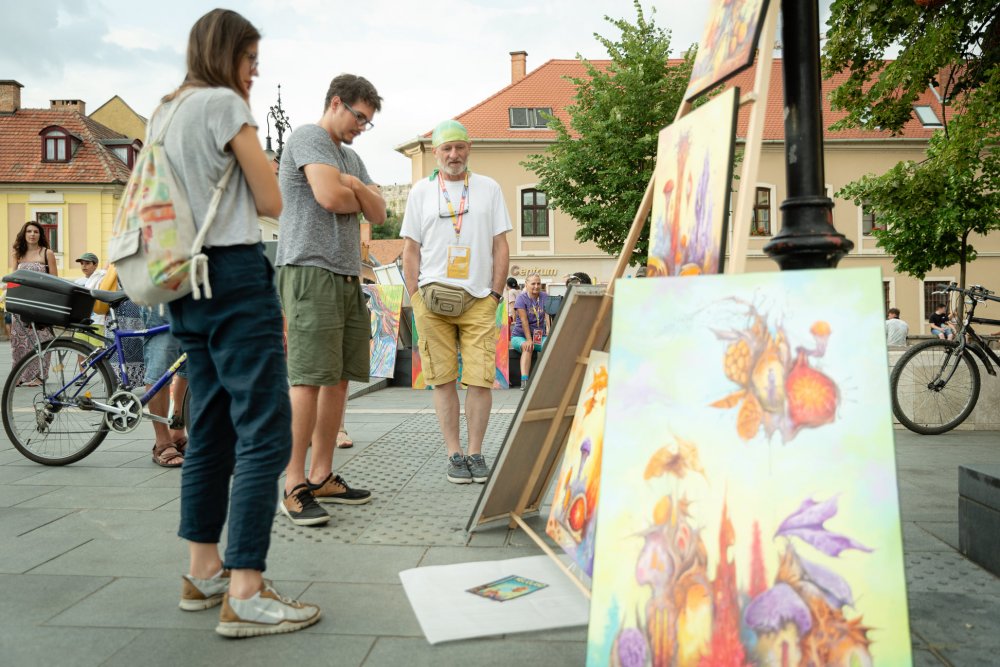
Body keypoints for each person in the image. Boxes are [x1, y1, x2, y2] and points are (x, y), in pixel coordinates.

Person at [154, 8, 318, 637]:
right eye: (250, 59)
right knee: (267, 431)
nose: (254, 71)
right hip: (233, 274)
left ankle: (204, 571)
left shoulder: (165, 110)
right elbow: (272, 198)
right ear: (227, 54)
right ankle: (247, 589)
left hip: (184, 281)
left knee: (211, 427)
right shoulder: (223, 105)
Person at [275, 73, 385, 526]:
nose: (362, 127)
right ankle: (293, 483)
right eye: (359, 117)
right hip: (309, 268)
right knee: (307, 379)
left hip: (344, 274)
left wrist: (354, 186)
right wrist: (356, 192)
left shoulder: (351, 158)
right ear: (336, 103)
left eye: (368, 121)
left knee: (339, 379)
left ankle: (321, 475)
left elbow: (379, 212)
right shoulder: (308, 137)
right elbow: (328, 197)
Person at [401, 119, 512, 484]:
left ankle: (475, 452)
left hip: (479, 298)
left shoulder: (488, 188)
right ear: (435, 153)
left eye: (459, 147)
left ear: (469, 149)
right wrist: (414, 297)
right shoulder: (421, 192)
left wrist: (495, 294)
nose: (453, 154)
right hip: (432, 301)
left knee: (480, 380)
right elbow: (410, 249)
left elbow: (500, 245)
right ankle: (454, 453)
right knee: (443, 380)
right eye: (446, 148)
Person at [9, 221, 57, 384]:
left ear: (40, 235)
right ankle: (19, 376)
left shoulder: (47, 253)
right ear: (24, 234)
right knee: (18, 341)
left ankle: (39, 376)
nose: (32, 234)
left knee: (41, 339)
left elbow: (54, 280)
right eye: (29, 231)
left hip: (40, 303)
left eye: (36, 232)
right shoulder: (17, 254)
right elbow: (13, 278)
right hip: (20, 303)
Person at [142, 307, 189, 468]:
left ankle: (177, 433)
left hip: (191, 297)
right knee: (160, 364)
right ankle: (162, 442)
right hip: (162, 299)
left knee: (187, 366)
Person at [511, 273, 551, 389]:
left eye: (538, 283)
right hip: (520, 335)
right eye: (533, 283)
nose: (536, 286)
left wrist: (550, 332)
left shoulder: (545, 296)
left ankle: (546, 380)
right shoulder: (521, 298)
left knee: (551, 346)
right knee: (528, 347)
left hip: (539, 336)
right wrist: (529, 340)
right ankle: (524, 381)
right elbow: (524, 321)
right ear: (526, 284)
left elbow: (548, 316)